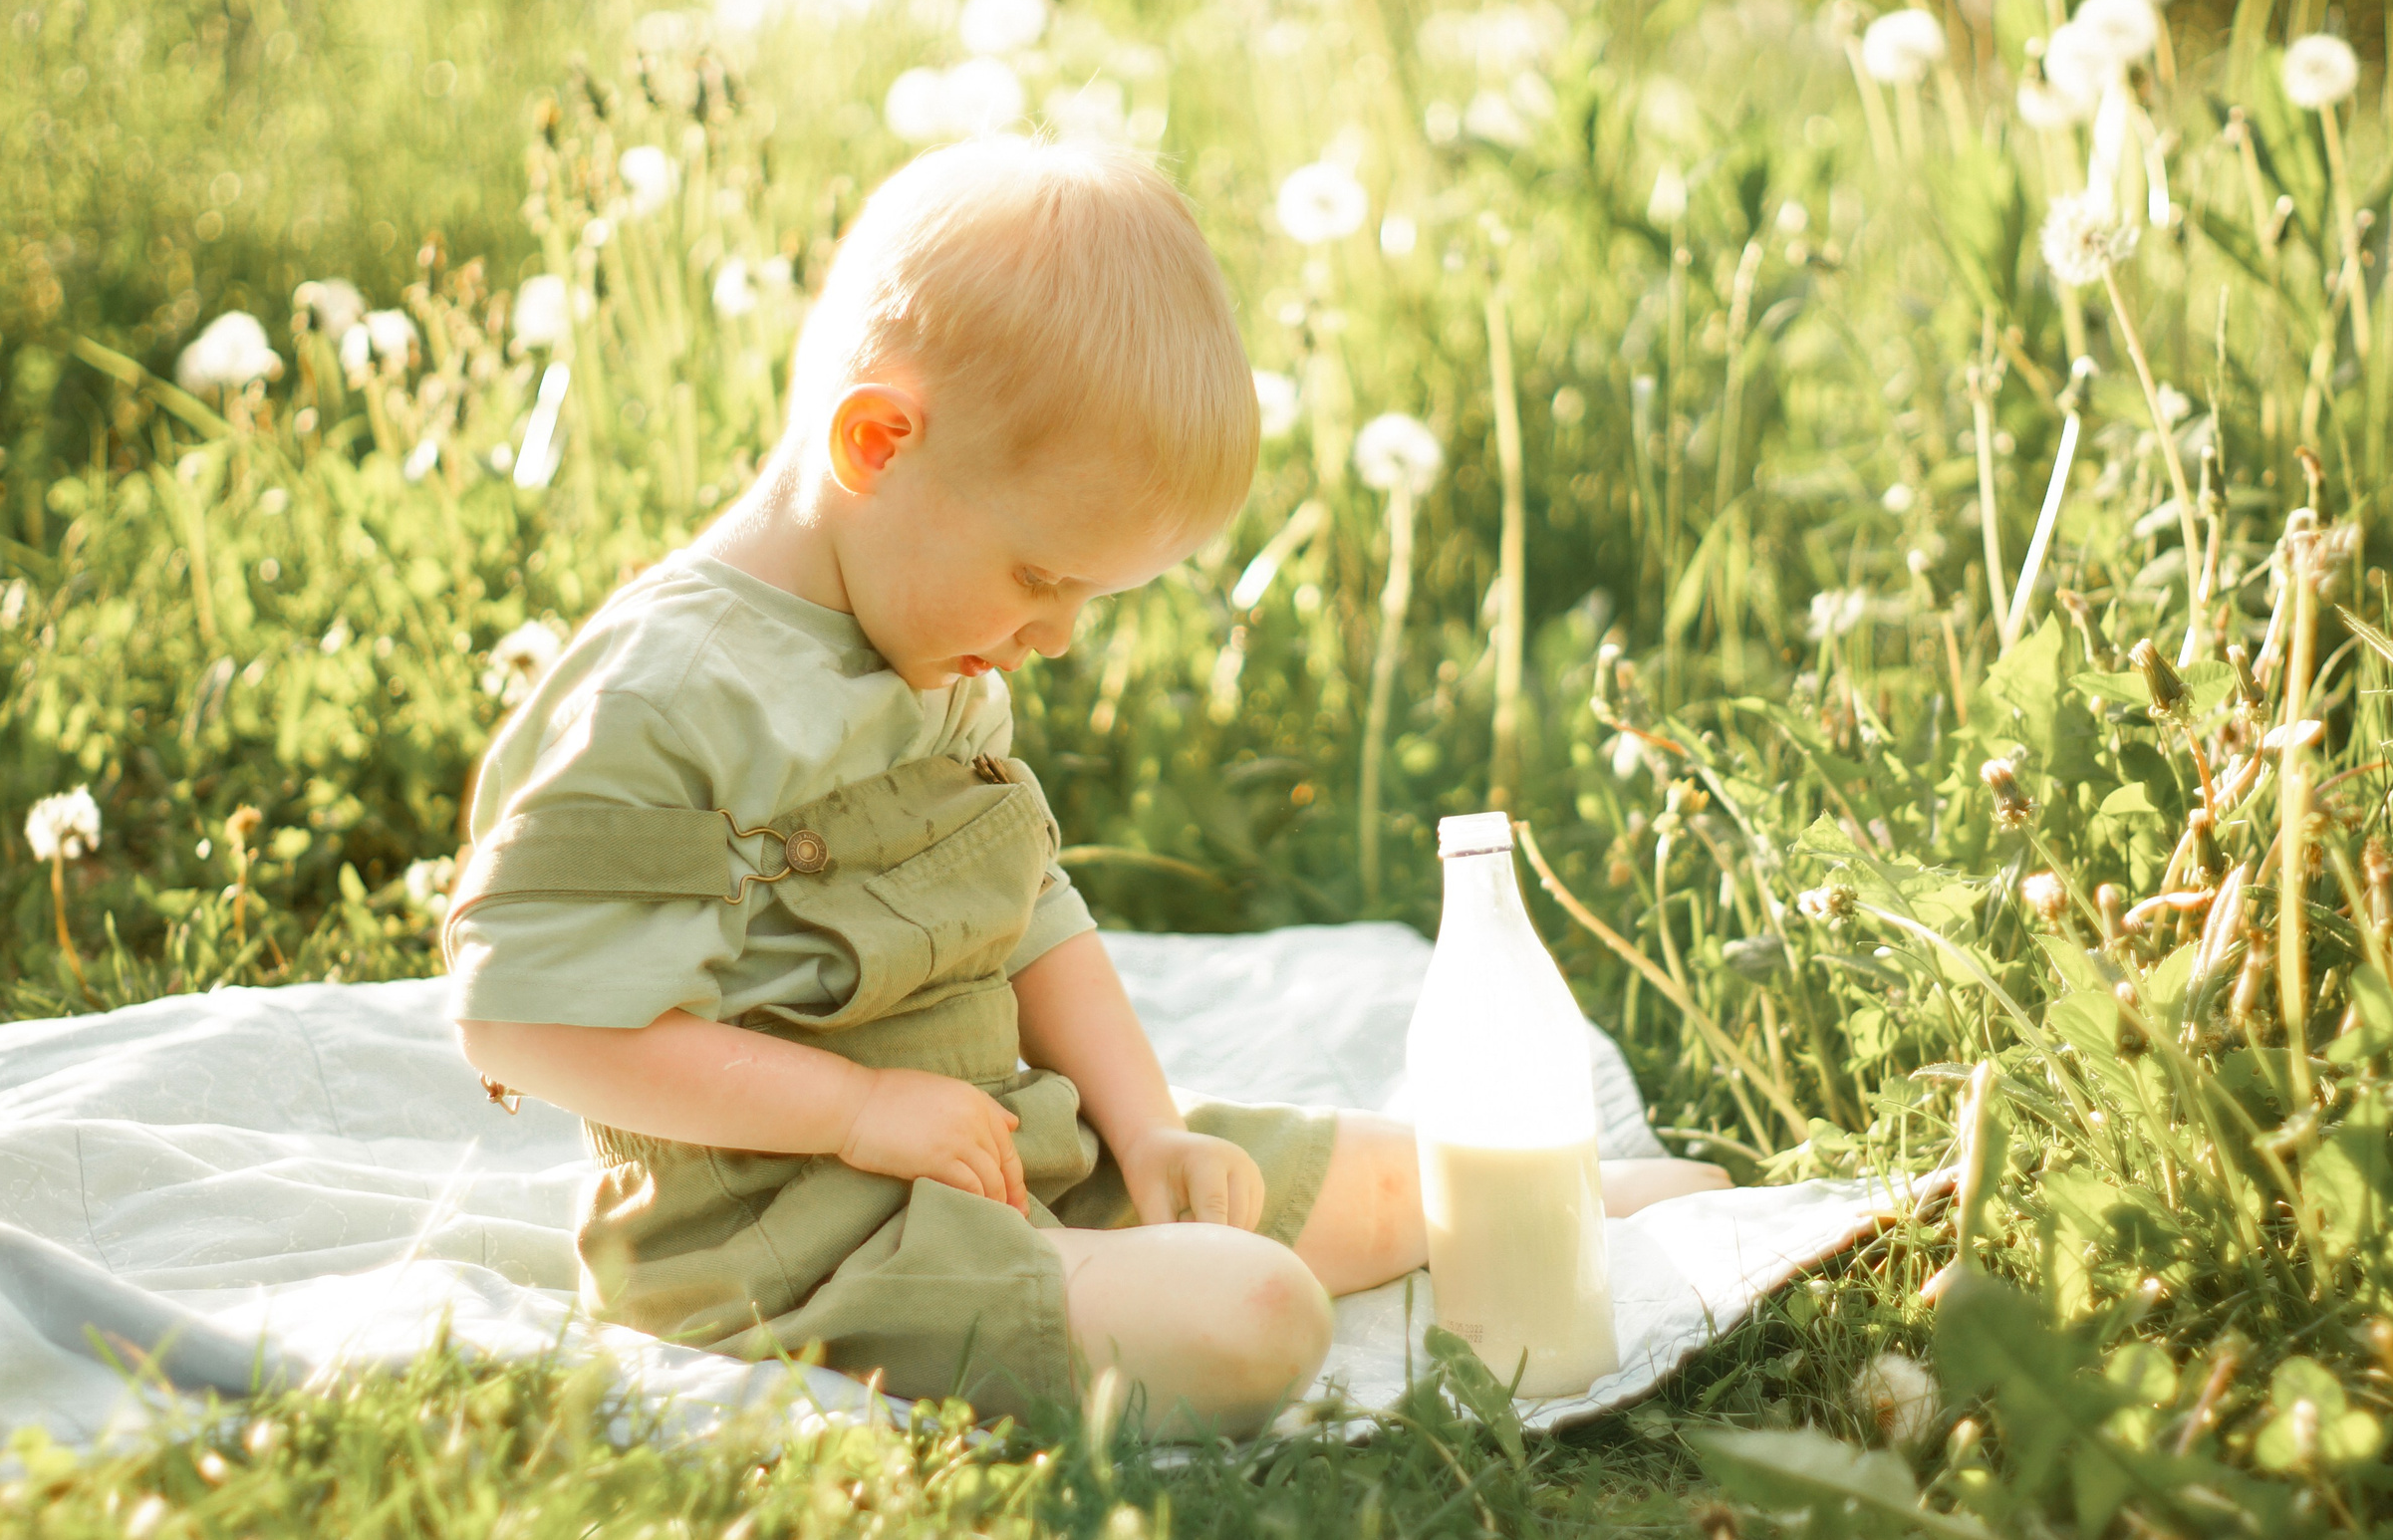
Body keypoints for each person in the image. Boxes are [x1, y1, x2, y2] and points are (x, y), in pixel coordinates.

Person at [447, 135, 1728, 1439]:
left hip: (1013, 1155)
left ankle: (1608, 1216)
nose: (1057, 636)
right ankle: (1126, 1284)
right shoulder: (663, 697)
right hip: (802, 1248)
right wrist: (858, 1105)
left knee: (1406, 1180)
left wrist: (1150, 1128)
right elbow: (531, 1024)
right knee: (1254, 1314)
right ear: (878, 442)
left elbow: (1031, 907)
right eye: (1043, 578)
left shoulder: (924, 633)